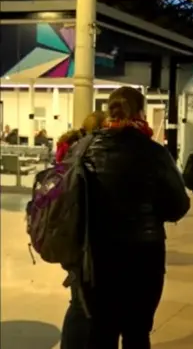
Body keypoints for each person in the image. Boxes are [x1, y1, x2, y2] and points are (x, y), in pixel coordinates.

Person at [79, 86, 190, 348]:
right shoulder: (154, 152)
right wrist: (151, 212)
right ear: (141, 112)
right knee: (136, 331)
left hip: (97, 251)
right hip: (144, 254)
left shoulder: (86, 150)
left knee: (101, 328)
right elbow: (179, 205)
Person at [58, 111, 107, 349]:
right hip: (83, 238)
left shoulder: (74, 150)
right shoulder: (88, 154)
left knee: (80, 300)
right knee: (81, 304)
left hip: (71, 235)